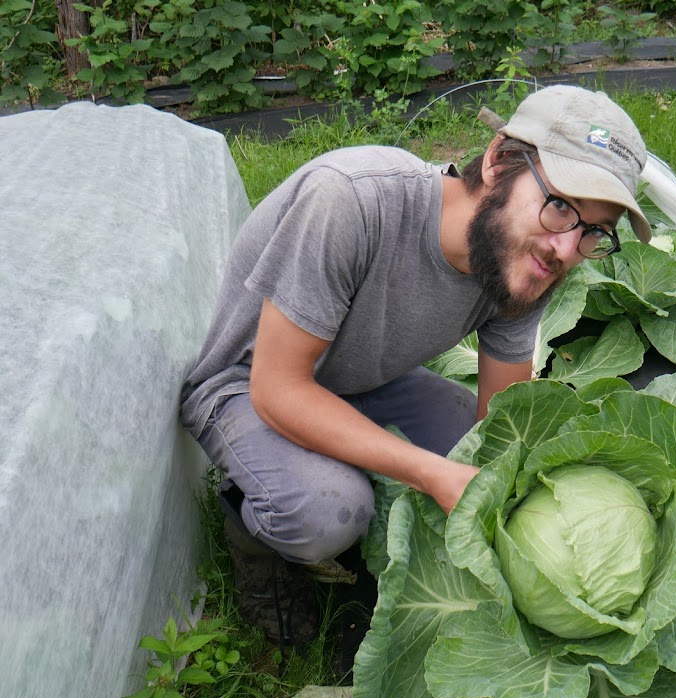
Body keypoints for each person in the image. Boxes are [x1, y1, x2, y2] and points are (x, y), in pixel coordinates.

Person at [179, 84, 652, 644]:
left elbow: (503, 423)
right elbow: (278, 390)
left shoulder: (532, 261)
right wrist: (431, 474)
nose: (568, 249)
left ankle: (360, 463)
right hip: (246, 383)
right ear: (499, 163)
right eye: (561, 208)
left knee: (482, 460)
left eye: (596, 232)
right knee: (330, 512)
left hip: (367, 379)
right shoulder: (351, 202)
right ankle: (256, 539)